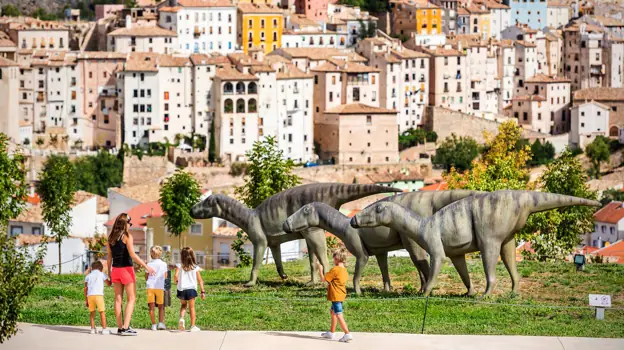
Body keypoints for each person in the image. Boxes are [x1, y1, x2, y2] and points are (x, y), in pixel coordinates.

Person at [107, 213, 155, 336]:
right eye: (130, 223)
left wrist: (109, 274)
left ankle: (120, 327)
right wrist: (146, 266)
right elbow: (133, 255)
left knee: (118, 299)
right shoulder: (127, 236)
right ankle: (126, 327)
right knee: (131, 298)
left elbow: (109, 258)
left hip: (115, 270)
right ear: (125, 223)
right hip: (126, 270)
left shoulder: (111, 237)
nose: (130, 225)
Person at [318, 249, 352, 343]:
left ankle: (347, 334)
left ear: (337, 258)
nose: (333, 260)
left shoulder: (335, 269)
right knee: (333, 312)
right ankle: (331, 332)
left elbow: (323, 279)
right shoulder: (344, 270)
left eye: (333, 258)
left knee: (338, 314)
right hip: (341, 294)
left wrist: (320, 269)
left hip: (335, 295)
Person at [175, 247, 205, 332]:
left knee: (183, 305)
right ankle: (192, 326)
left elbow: (176, 276)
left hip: (181, 289)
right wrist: (203, 291)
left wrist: (177, 282)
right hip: (191, 289)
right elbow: (200, 280)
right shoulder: (195, 267)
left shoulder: (179, 265)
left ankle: (181, 318)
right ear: (192, 255)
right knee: (192, 307)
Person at [84, 261, 111, 335]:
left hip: (90, 296)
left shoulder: (88, 276)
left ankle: (92, 329)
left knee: (92, 313)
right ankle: (104, 329)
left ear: (92, 268)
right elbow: (109, 284)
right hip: (99, 296)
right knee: (102, 312)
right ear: (101, 268)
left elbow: (85, 288)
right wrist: (110, 278)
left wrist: (86, 300)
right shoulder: (102, 274)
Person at [146, 246, 168, 331]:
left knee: (151, 307)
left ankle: (153, 324)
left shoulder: (148, 264)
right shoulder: (164, 264)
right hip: (159, 287)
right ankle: (161, 323)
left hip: (150, 287)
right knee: (161, 306)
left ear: (151, 254)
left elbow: (146, 276)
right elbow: (165, 276)